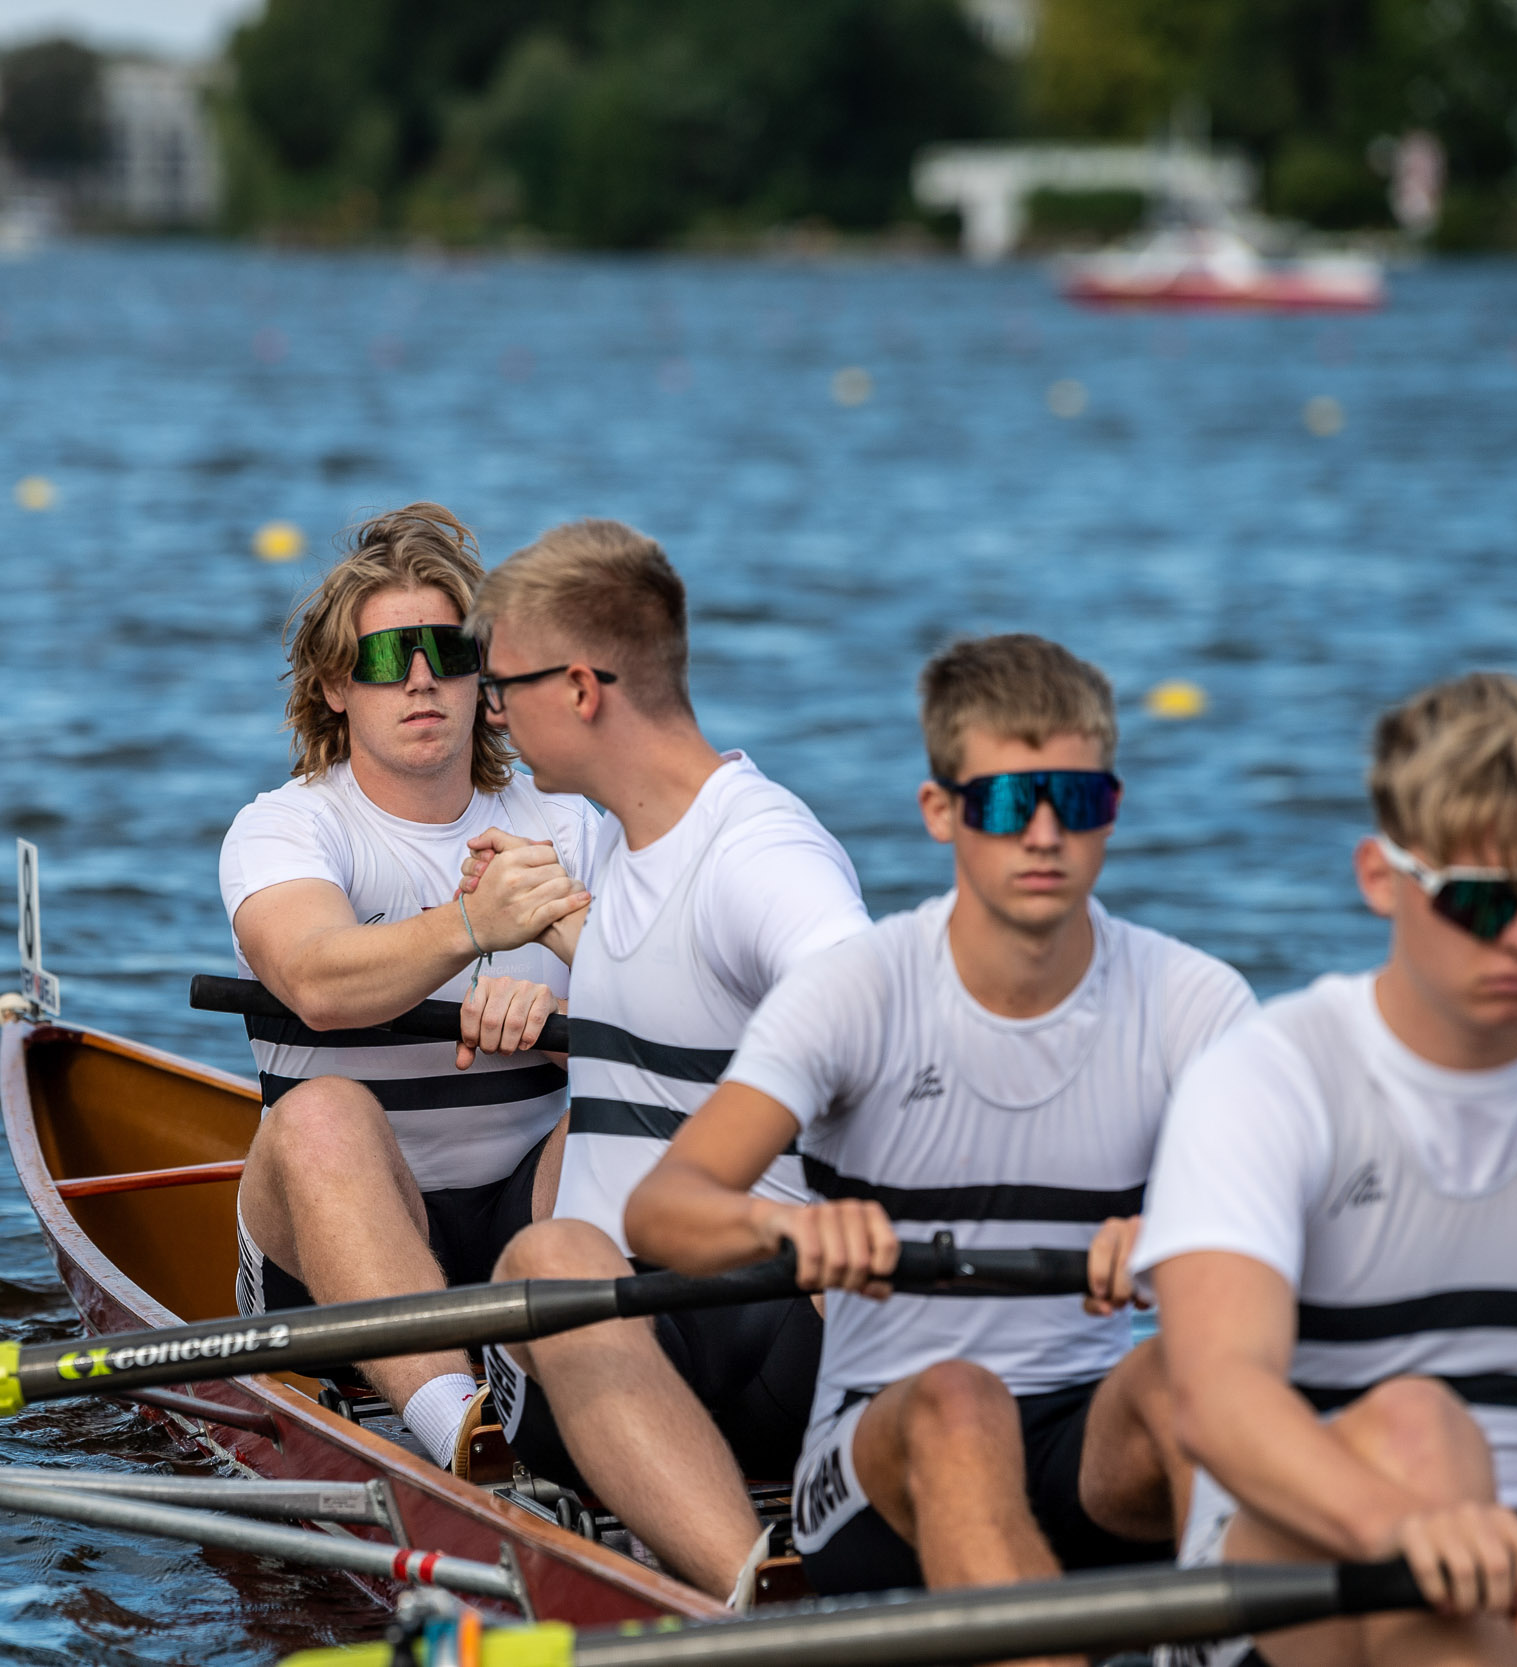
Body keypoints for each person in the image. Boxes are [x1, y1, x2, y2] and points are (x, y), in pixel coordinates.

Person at [624, 634, 1255, 1620]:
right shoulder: (854, 992)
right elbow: (664, 1210)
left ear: (1113, 810)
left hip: (1082, 1441)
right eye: (1007, 803)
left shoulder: (1195, 1001)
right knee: (961, 1399)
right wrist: (788, 1231)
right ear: (940, 812)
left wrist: (1194, 1235)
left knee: (1199, 1372)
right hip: (878, 1456)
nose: (1042, 834)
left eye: (1075, 802)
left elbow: (1302, 1220)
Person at [1136, 671, 1517, 1667]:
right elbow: (1215, 1394)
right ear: (1381, 875)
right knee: (1420, 1428)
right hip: (1294, 1571)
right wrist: (1404, 1522)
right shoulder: (1269, 1074)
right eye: (1477, 899)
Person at [461, 518, 871, 1602]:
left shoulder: (762, 853)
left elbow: (871, 1007)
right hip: (631, 1336)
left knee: (542, 1254)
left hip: (775, 1323)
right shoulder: (607, 835)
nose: (488, 714)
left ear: (584, 687)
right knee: (561, 1228)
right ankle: (755, 1578)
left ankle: (747, 1602)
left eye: (501, 686)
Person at [220, 503, 600, 1475]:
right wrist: (473, 928)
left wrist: (562, 1024)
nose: (421, 676)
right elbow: (314, 980)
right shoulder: (287, 829)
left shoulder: (570, 823)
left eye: (447, 649)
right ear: (336, 687)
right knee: (321, 1113)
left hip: (527, 1207)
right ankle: (456, 1428)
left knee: (616, 1115)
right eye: (386, 658)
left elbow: (683, 1013)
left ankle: (571, 1399)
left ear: (486, 675)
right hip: (333, 1229)